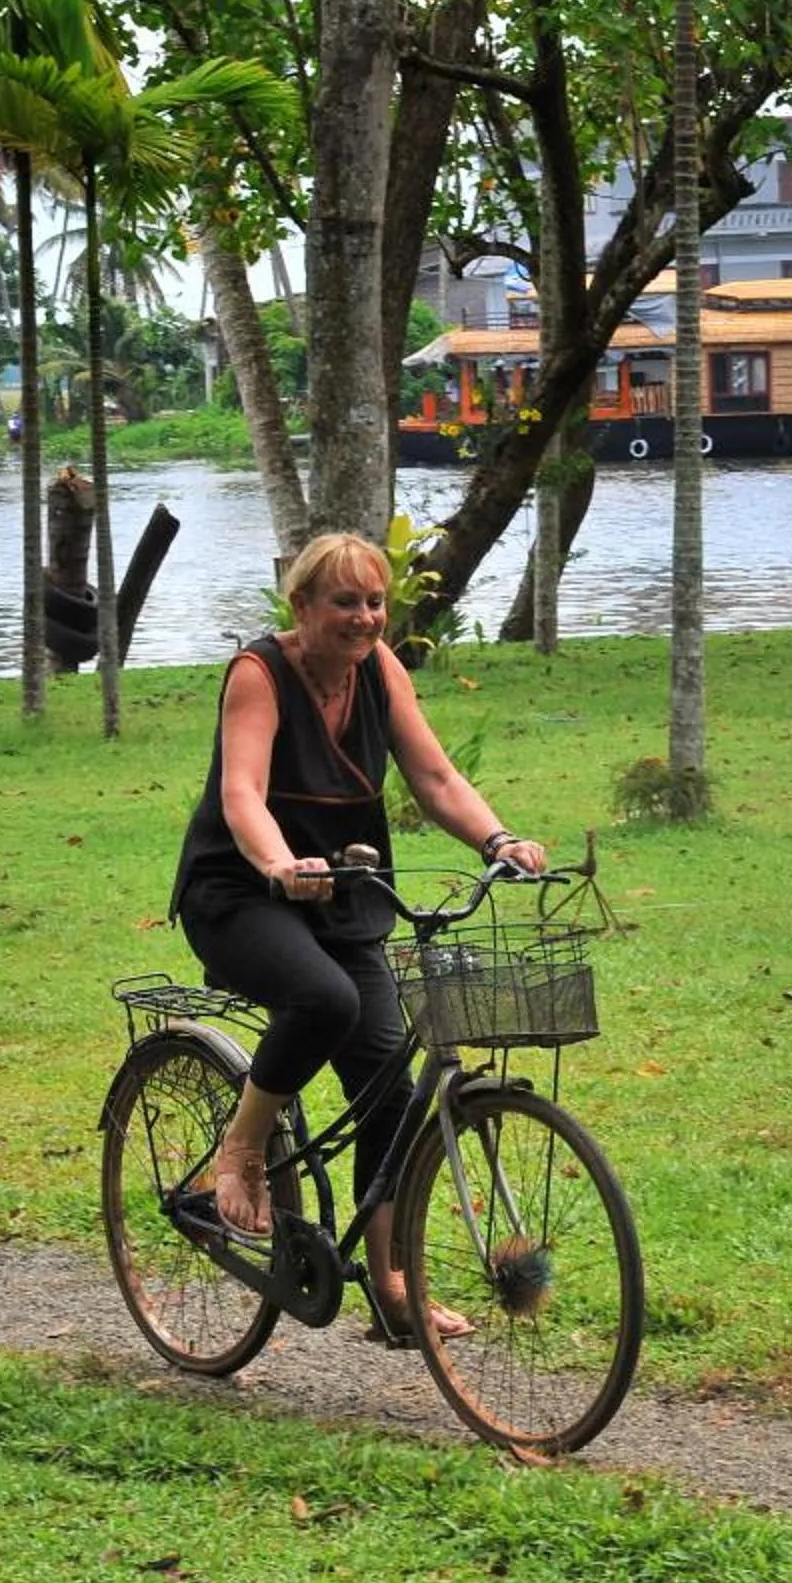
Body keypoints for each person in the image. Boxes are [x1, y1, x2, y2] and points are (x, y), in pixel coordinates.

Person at [172, 531, 548, 1337]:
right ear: (301, 605)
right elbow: (242, 793)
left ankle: (391, 1284)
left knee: (390, 1084)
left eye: (375, 601)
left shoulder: (380, 671)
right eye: (344, 601)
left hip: (344, 894)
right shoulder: (259, 674)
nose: (364, 617)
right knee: (321, 998)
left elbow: (435, 775)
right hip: (241, 893)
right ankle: (240, 1150)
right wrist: (278, 862)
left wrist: (498, 840)